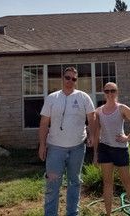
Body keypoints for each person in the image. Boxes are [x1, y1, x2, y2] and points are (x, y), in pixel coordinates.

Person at [38, 67, 96, 216]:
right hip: (55, 148)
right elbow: (44, 122)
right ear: (62, 78)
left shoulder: (84, 97)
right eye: (67, 77)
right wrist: (42, 145)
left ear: (76, 81)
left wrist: (92, 136)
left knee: (74, 182)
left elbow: (92, 118)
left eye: (74, 79)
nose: (70, 81)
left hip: (77, 148)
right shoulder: (52, 98)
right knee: (52, 184)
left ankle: (72, 213)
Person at [93, 82, 130, 216]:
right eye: (107, 91)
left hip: (120, 150)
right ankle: (108, 214)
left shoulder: (122, 108)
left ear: (117, 92)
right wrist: (95, 154)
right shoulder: (98, 111)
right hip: (104, 149)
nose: (110, 94)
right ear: (104, 92)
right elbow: (97, 133)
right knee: (108, 183)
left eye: (113, 91)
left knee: (127, 182)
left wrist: (127, 138)